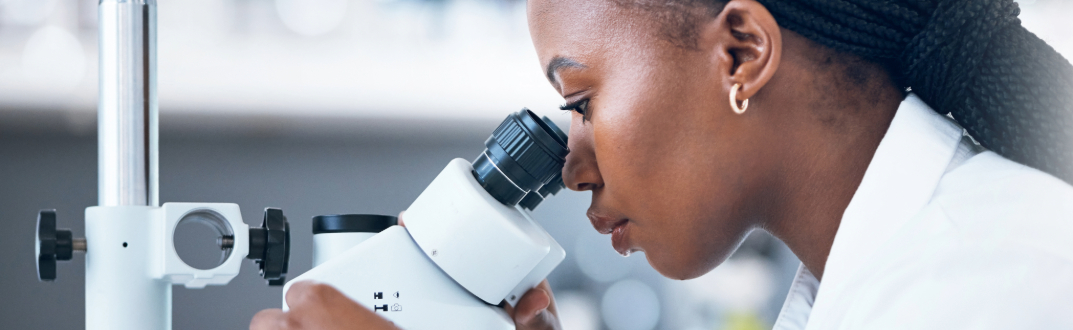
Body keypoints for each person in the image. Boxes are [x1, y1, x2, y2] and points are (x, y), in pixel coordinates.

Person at [250, 0, 1073, 328]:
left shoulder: (980, 281)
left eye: (580, 102)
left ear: (741, 53)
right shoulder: (892, 267)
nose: (570, 168)